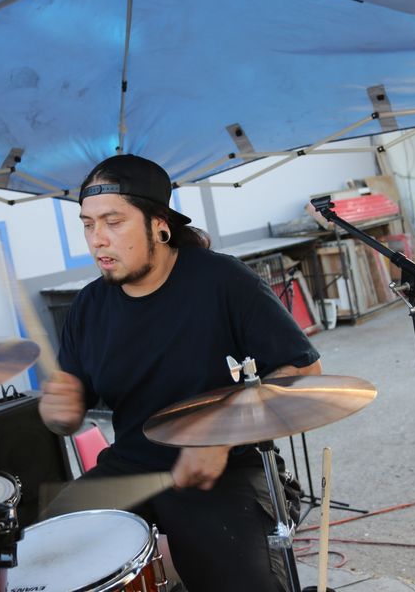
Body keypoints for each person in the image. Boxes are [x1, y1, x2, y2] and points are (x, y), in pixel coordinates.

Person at [40, 154, 322, 591]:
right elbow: (68, 412)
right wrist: (59, 410)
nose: (98, 239)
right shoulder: (89, 306)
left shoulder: (222, 280)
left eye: (113, 222)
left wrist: (222, 436)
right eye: (88, 224)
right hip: (132, 465)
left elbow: (303, 369)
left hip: (225, 468)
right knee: (41, 557)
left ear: (159, 225)